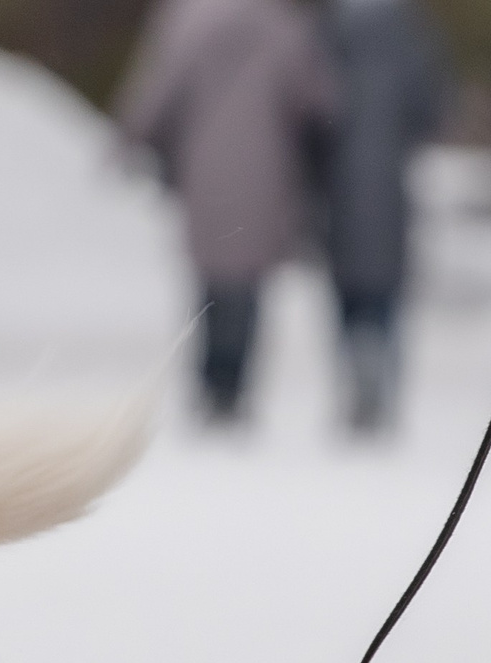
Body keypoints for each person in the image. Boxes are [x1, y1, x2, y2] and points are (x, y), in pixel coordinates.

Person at [119, 0, 339, 423]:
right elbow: (317, 100)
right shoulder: (284, 24)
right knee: (248, 283)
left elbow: (158, 89)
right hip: (266, 168)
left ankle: (209, 381)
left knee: (210, 282)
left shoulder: (185, 18)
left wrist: (130, 138)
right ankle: (234, 386)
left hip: (204, 166)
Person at [323, 0, 445, 433]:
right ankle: (380, 384)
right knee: (386, 290)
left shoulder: (331, 33)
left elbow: (312, 107)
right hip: (390, 183)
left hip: (338, 186)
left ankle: (356, 377)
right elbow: (431, 109)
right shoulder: (410, 35)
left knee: (346, 289)